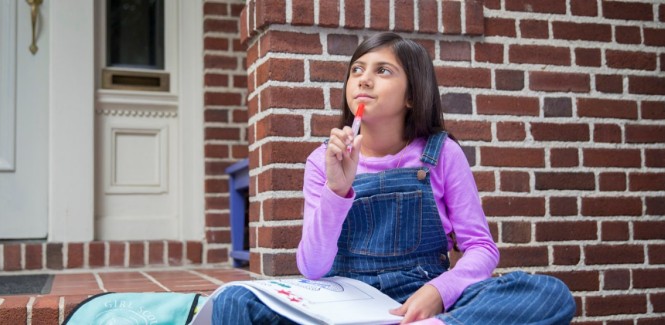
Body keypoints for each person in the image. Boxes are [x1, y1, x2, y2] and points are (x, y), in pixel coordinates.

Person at [212, 32, 576, 325]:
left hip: (419, 298)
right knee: (235, 300)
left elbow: (481, 248)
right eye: (356, 70)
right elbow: (312, 267)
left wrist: (440, 292)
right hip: (342, 302)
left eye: (383, 71)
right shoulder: (322, 160)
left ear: (412, 96)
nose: (364, 79)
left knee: (549, 293)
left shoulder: (442, 153)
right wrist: (338, 189)